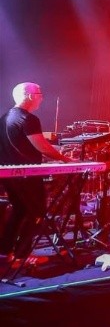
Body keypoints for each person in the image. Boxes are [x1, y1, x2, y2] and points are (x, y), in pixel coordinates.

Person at [0, 82, 70, 264]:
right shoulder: (28, 119)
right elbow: (42, 146)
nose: (42, 97)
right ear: (30, 96)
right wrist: (66, 159)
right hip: (28, 175)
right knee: (36, 212)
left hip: (9, 175)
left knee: (18, 211)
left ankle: (5, 252)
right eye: (39, 93)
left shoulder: (5, 117)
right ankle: (22, 256)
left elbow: (21, 145)